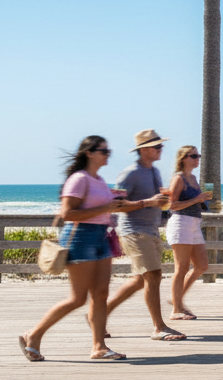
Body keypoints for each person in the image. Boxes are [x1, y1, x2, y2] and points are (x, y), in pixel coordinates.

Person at [20, 136, 148, 361]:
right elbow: (67, 214)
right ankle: (34, 334)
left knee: (101, 295)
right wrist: (106, 206)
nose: (108, 155)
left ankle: (99, 347)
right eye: (103, 151)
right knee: (78, 298)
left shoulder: (98, 179)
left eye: (109, 151)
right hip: (81, 237)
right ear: (89, 153)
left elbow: (103, 208)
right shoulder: (79, 179)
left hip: (101, 237)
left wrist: (131, 203)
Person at [103, 129, 182, 341]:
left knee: (140, 281)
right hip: (134, 231)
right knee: (153, 276)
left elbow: (156, 199)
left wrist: (163, 201)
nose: (161, 149)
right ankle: (159, 327)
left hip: (151, 230)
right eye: (157, 146)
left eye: (161, 145)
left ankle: (97, 317)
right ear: (144, 150)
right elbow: (116, 204)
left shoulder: (154, 172)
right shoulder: (130, 173)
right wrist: (148, 202)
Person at [166, 145, 211, 320]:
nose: (197, 158)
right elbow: (172, 205)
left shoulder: (193, 178)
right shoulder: (178, 179)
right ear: (183, 158)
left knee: (202, 265)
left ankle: (176, 299)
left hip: (194, 223)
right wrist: (197, 199)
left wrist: (202, 201)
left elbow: (193, 202)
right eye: (193, 156)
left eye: (198, 155)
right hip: (180, 223)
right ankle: (176, 309)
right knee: (182, 267)